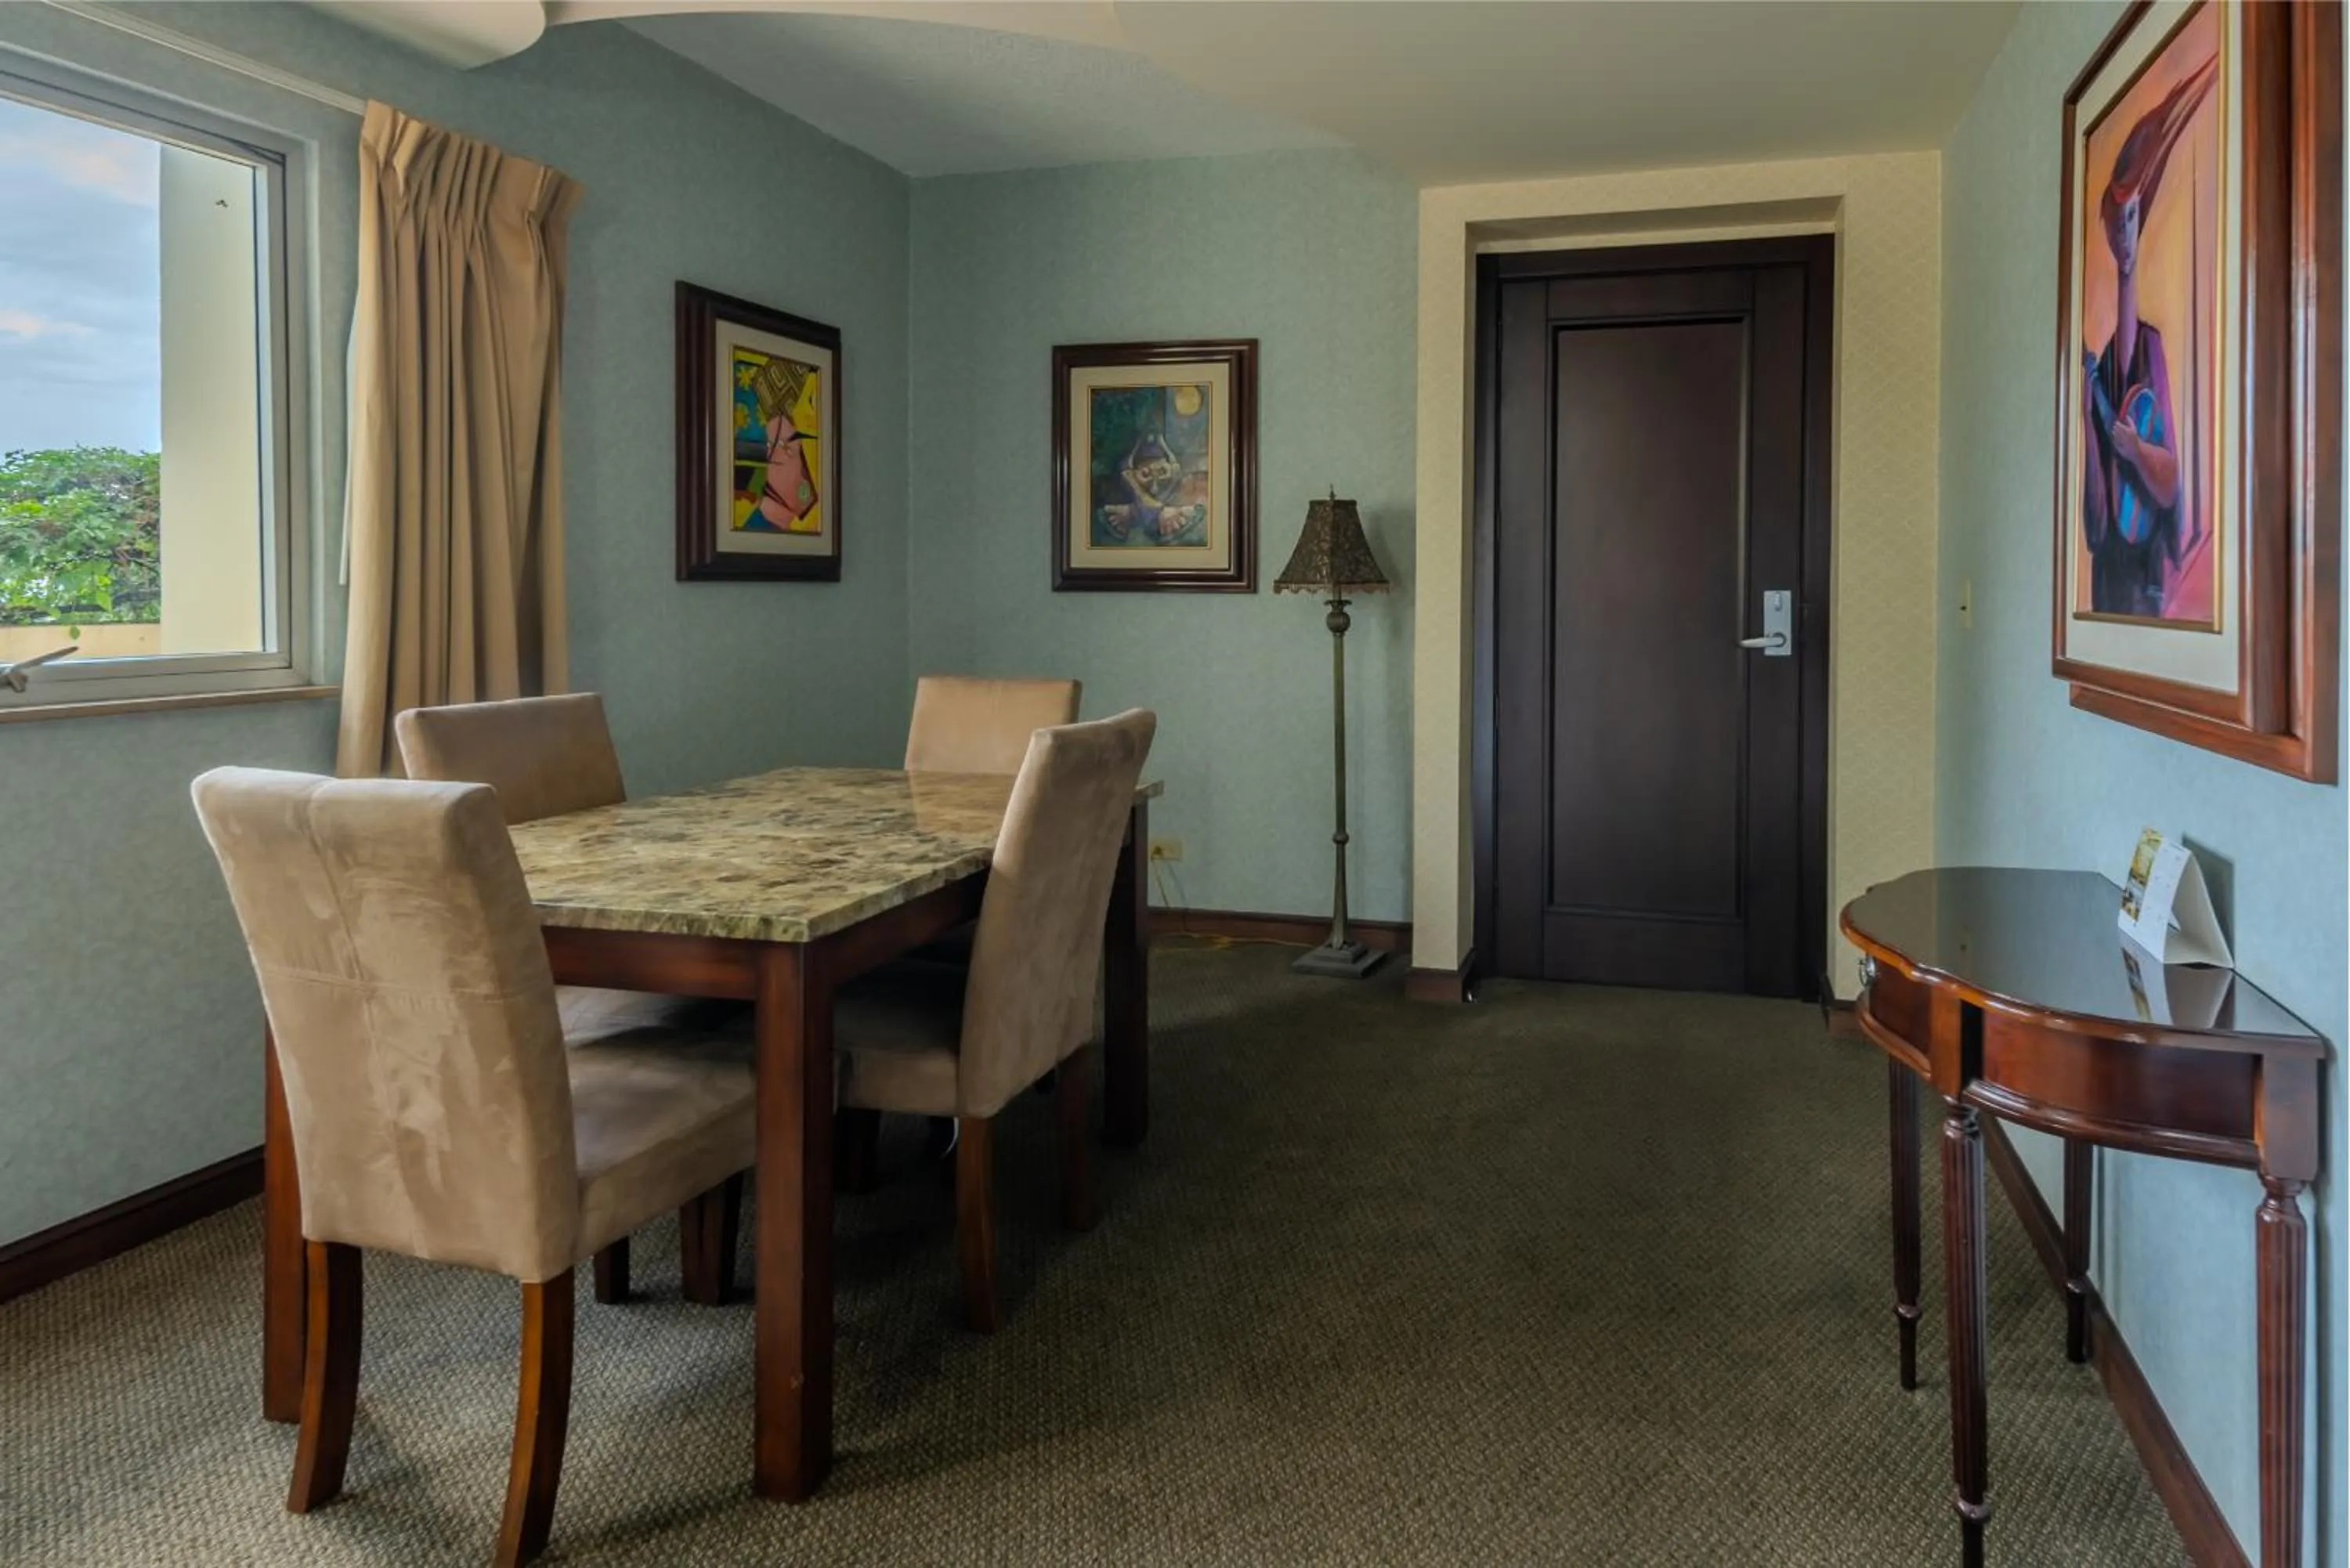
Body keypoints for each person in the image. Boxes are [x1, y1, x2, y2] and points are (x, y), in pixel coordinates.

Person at [2081, 56, 2213, 618]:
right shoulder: (2103, 365)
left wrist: (2136, 450)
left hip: (2147, 578)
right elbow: (2093, 510)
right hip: (2111, 571)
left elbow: (2170, 485)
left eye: (2135, 220)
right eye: (2122, 224)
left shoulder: (2149, 350)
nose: (2128, 238)